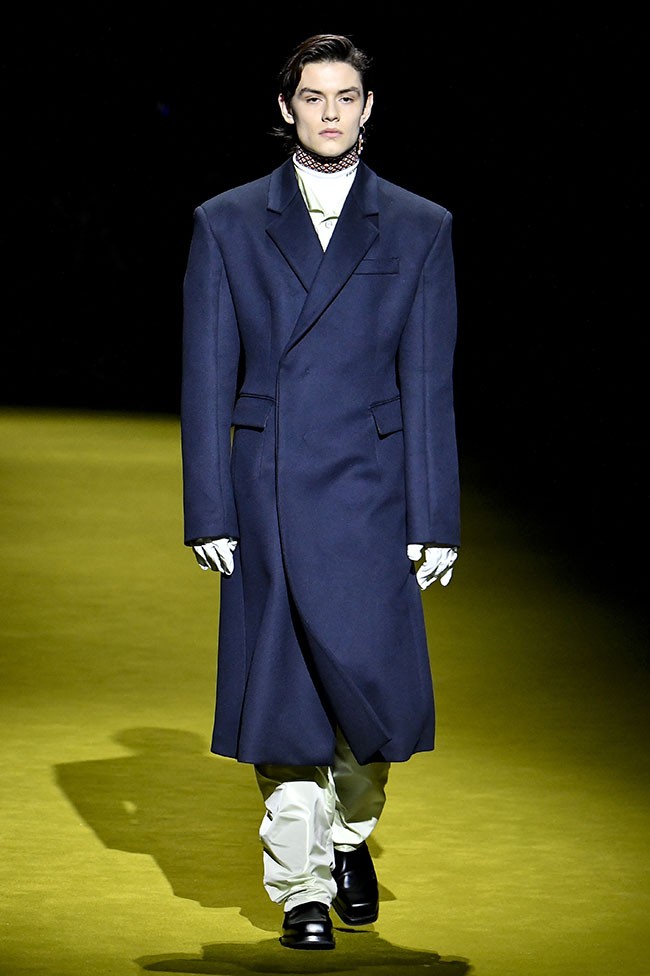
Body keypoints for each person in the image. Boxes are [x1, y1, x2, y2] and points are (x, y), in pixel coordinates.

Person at [180, 33, 461, 951]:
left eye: (346, 96)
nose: (330, 112)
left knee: (372, 695)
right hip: (268, 489)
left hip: (372, 494)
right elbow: (206, 375)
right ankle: (300, 886)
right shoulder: (228, 221)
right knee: (285, 692)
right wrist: (209, 507)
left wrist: (436, 518)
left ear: (369, 108)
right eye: (313, 96)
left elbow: (428, 383)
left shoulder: (420, 225)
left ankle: (348, 837)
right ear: (287, 106)